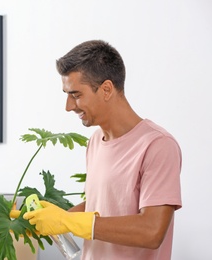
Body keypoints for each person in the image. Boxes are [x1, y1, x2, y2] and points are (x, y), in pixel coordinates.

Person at [23, 40, 182, 259]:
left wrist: (69, 221)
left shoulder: (158, 145)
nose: (68, 106)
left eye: (76, 95)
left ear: (106, 89)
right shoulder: (95, 142)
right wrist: (53, 217)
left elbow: (152, 231)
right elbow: (105, 205)